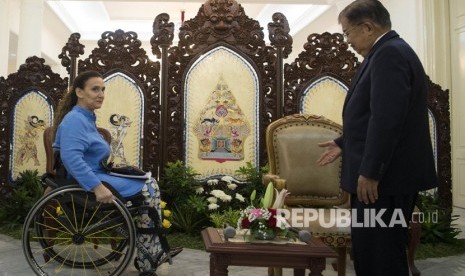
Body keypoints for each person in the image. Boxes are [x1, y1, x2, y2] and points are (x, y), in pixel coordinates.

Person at [317, 1, 437, 275]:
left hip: (384, 181)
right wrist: (342, 143)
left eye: (347, 33)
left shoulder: (389, 55)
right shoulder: (387, 51)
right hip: (387, 177)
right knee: (372, 252)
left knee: (380, 257)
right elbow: (375, 115)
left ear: (368, 27)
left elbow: (386, 119)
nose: (347, 41)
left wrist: (370, 171)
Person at [52, 70, 181, 276]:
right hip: (85, 179)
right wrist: (97, 187)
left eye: (103, 89)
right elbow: (71, 158)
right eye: (95, 89)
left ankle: (149, 250)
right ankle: (149, 255)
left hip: (95, 173)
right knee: (148, 188)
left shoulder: (86, 117)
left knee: (148, 182)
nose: (101, 93)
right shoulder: (75, 120)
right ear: (79, 92)